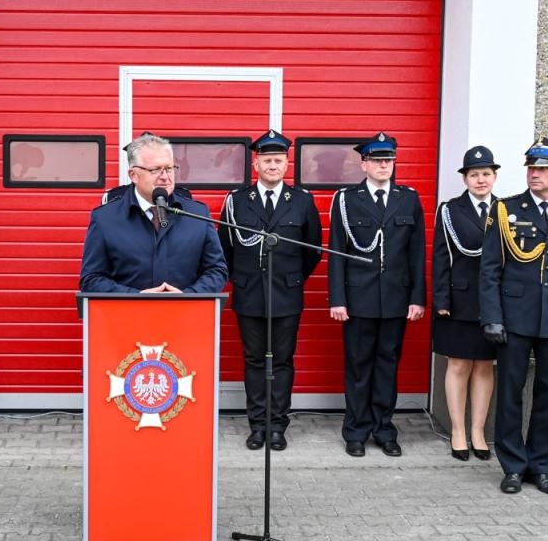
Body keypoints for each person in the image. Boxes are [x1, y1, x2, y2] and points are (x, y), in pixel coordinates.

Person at [479, 137, 548, 496]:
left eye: (543, 169)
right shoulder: (505, 210)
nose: (534, 174)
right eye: (531, 168)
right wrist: (492, 317)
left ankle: (540, 466)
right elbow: (489, 270)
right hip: (514, 317)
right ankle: (513, 466)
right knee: (511, 393)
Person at [219, 130, 322, 452]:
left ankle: (277, 425)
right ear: (256, 163)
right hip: (249, 294)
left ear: (287, 164)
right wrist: (243, 279)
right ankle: (257, 425)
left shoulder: (302, 202)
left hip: (286, 294)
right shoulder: (236, 202)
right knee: (253, 360)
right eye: (267, 160)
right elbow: (226, 247)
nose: (273, 165)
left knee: (281, 361)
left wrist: (292, 279)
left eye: (278, 160)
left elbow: (313, 250)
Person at [327, 131, 426, 458]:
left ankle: (384, 429)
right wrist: (337, 299)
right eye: (378, 160)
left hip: (396, 300)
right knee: (358, 367)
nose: (384, 165)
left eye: (389, 160)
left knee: (387, 366)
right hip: (358, 300)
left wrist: (417, 297)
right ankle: (355, 431)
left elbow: (416, 253)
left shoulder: (408, 198)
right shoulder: (346, 200)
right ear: (364, 163)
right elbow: (337, 251)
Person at [79, 133, 228, 295]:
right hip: (127, 316)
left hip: (186, 315)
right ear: (133, 175)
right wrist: (136, 297)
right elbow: (91, 279)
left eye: (169, 168)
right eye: (155, 169)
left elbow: (216, 270)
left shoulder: (197, 214)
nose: (165, 177)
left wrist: (188, 296)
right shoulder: (105, 218)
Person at [432, 145, 500, 462]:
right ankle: (458, 430)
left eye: (486, 174)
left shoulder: (505, 210)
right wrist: (441, 298)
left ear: (494, 177)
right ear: (465, 179)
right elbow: (441, 257)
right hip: (458, 300)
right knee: (458, 365)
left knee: (485, 366)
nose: (481, 180)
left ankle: (478, 431)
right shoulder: (450, 210)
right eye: (474, 175)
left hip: (493, 303)